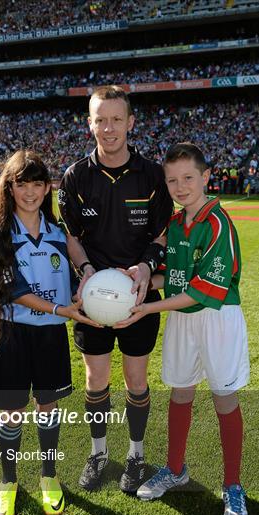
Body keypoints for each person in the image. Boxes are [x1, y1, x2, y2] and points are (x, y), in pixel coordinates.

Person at [115, 142, 250, 515]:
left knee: (224, 396)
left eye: (188, 177)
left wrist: (145, 308)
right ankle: (175, 469)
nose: (180, 186)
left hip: (216, 317)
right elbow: (172, 279)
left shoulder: (218, 224)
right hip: (181, 316)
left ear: (206, 177)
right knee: (180, 391)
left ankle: (233, 485)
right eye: (172, 180)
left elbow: (201, 291)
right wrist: (137, 284)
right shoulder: (175, 224)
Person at [58, 85, 173, 493]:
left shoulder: (152, 174)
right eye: (100, 119)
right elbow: (72, 237)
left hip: (139, 297)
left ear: (130, 122)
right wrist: (86, 268)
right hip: (92, 297)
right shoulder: (75, 176)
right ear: (90, 123)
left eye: (116, 119)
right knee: (95, 380)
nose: (108, 128)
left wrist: (145, 266)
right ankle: (99, 453)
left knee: (137, 382)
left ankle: (137, 454)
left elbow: (163, 232)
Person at [0, 150, 99, 515]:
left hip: (49, 336)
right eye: (21, 184)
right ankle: (9, 482)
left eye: (37, 184)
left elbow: (74, 274)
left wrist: (83, 290)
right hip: (11, 332)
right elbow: (10, 288)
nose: (30, 192)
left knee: (48, 408)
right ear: (9, 187)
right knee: (12, 412)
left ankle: (48, 476)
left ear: (48, 188)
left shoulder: (57, 231)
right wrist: (62, 310)